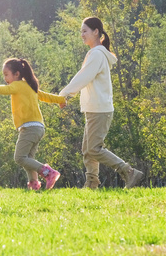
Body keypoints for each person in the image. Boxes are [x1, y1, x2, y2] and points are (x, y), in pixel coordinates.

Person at [58, 16, 144, 190]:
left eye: (85, 31)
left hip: (99, 110)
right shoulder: (95, 53)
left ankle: (128, 171)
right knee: (87, 150)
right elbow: (85, 77)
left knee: (94, 149)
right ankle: (91, 184)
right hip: (94, 109)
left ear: (96, 32)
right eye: (81, 31)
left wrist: (65, 94)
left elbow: (84, 77)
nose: (82, 35)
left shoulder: (97, 54)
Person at [0, 58, 66, 190]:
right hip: (38, 127)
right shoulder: (30, 86)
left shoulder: (17, 85)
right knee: (28, 159)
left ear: (17, 74)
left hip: (29, 128)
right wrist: (60, 99)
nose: (5, 78)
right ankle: (34, 184)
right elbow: (45, 96)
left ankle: (48, 173)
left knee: (19, 157)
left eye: (6, 74)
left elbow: (6, 89)